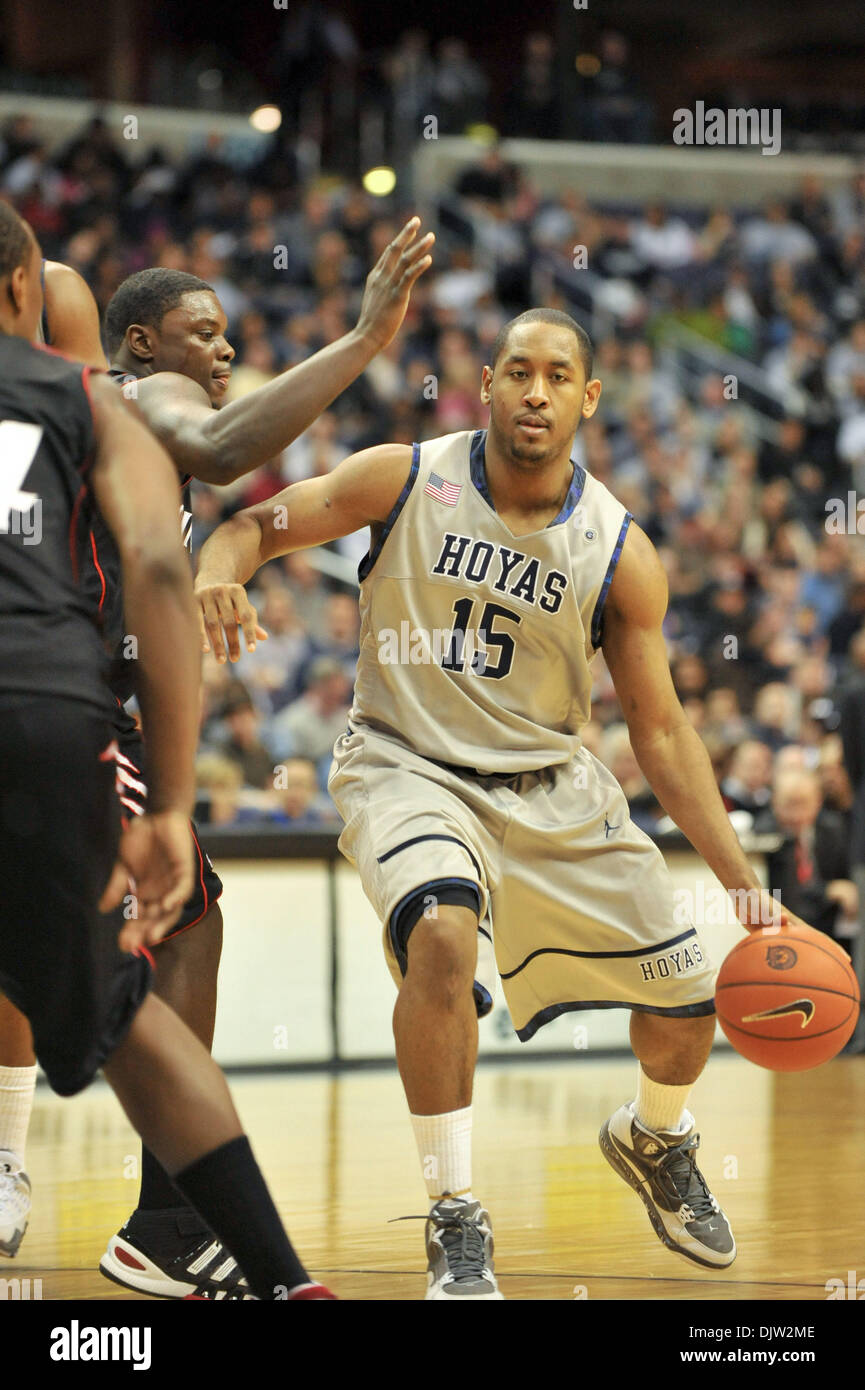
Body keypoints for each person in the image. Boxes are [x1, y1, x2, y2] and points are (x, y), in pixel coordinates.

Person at [193, 307, 810, 1300]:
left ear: (588, 397)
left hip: (551, 783)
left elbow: (660, 731)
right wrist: (218, 575)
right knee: (441, 937)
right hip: (407, 763)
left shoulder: (618, 547)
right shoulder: (404, 476)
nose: (534, 391)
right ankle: (453, 1210)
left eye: (557, 376)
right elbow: (253, 526)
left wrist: (744, 887)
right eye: (517, 370)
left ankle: (655, 1137)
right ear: (484, 383)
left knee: (687, 1008)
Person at [0, 217, 433, 1296]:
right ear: (140, 342)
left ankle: (151, 1213)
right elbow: (226, 449)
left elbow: (194, 533)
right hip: (65, 709)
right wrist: (362, 341)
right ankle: (163, 1219)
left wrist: (211, 573)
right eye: (204, 331)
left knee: (163, 925)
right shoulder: (125, 394)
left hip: (76, 703)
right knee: (161, 927)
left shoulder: (68, 409)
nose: (226, 346)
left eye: (230, 331)